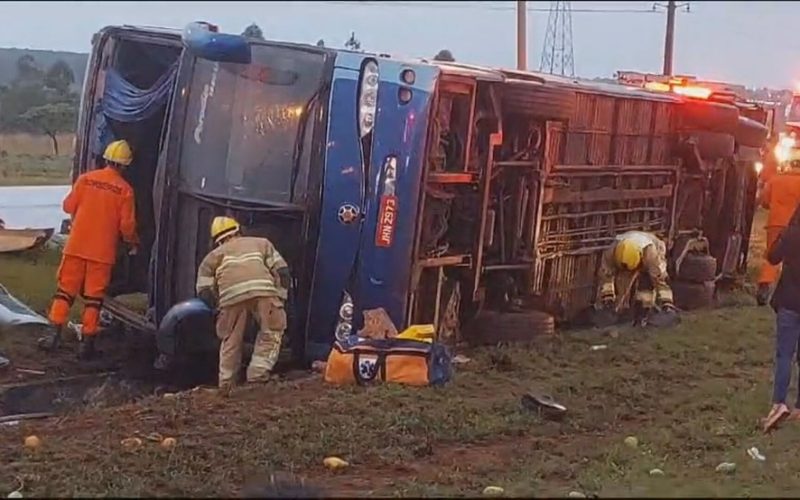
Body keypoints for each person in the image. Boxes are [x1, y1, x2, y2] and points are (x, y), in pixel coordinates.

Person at [40, 139, 139, 360]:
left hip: (76, 246)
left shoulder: (86, 179)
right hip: (102, 253)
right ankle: (87, 345)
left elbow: (68, 206)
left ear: (105, 159)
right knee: (94, 298)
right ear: (124, 166)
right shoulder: (125, 190)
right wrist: (133, 242)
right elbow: (127, 226)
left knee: (65, 291)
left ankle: (51, 336)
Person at [196, 216, 291, 390]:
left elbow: (204, 291)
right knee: (272, 331)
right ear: (239, 231)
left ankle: (226, 384)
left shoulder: (212, 257)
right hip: (263, 291)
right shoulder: (261, 243)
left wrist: (219, 307)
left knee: (230, 339)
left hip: (230, 297)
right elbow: (283, 272)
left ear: (217, 240)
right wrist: (280, 299)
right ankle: (257, 376)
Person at [762, 204, 800, 432]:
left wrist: (784, 234)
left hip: (789, 301)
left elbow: (772, 257)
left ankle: (779, 404)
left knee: (785, 354)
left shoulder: (792, 232)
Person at [596, 230, 675, 318]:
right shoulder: (611, 252)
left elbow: (660, 279)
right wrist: (608, 298)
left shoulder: (651, 255)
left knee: (649, 281)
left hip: (653, 246)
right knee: (621, 282)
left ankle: (646, 309)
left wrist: (667, 303)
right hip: (631, 243)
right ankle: (621, 309)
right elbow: (606, 276)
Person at [756, 165, 800, 305]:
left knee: (772, 255)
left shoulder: (775, 179)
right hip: (795, 227)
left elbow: (764, 201)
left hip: (775, 223)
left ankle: (765, 283)